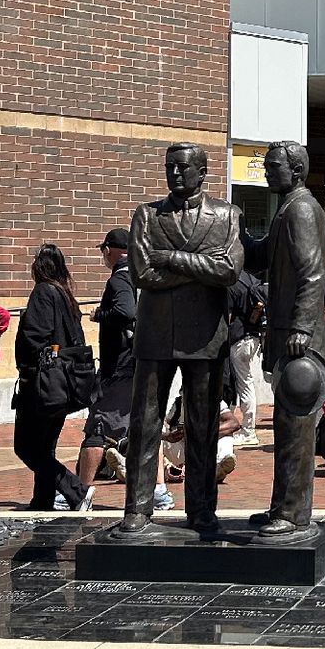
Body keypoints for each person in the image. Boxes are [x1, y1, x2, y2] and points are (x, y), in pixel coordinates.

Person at [117, 143, 245, 539]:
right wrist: (200, 269)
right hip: (156, 334)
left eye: (182, 167)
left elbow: (227, 270)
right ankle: (138, 509)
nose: (174, 174)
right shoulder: (146, 215)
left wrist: (171, 259)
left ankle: (202, 509)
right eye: (169, 167)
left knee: (204, 426)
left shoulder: (226, 215)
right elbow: (141, 273)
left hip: (205, 337)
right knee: (144, 425)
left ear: (202, 172)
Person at [71, 229, 174, 511]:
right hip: (148, 361)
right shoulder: (147, 275)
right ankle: (160, 491)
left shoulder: (120, 275)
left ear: (113, 250)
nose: (103, 254)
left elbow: (126, 312)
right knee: (147, 426)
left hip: (122, 366)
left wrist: (99, 314)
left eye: (104, 249)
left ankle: (80, 493)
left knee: (98, 428)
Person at [257, 140, 325, 541]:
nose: (267, 171)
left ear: (296, 170)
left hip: (299, 339)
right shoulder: (287, 207)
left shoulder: (300, 208)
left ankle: (292, 513)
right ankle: (283, 507)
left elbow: (311, 273)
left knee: (297, 429)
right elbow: (262, 254)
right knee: (286, 428)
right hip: (286, 333)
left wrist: (301, 326)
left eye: (273, 166)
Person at [12, 244, 93, 512]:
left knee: (25, 447)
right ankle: (42, 501)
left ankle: (77, 490)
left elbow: (36, 335)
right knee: (45, 446)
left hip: (42, 383)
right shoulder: (65, 294)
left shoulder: (43, 292)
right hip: (63, 383)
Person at [229, 269, 265, 447]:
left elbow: (227, 317)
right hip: (253, 336)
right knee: (246, 383)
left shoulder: (232, 283)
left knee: (244, 385)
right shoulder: (251, 278)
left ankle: (248, 430)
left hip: (239, 339)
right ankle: (247, 428)